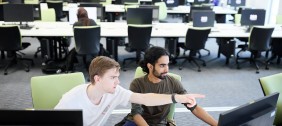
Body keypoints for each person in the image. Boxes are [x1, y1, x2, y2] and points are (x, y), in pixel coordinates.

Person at [55, 56, 205, 126]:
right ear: (97, 79)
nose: (118, 82)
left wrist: (177, 98)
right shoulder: (71, 100)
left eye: (117, 77)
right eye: (113, 77)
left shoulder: (114, 92)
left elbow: (146, 98)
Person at [119, 46, 218, 126]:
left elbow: (194, 108)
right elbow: (136, 114)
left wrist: (217, 125)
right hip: (136, 122)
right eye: (162, 65)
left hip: (159, 123)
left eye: (167, 65)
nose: (167, 70)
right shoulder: (137, 84)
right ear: (150, 66)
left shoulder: (173, 82)